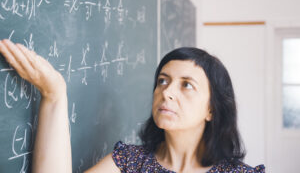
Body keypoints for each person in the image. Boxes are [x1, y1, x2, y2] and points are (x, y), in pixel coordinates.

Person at [0, 39, 265, 173]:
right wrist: (54, 94)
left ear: (212, 109)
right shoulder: (130, 161)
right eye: (162, 81)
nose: (167, 92)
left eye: (186, 85)